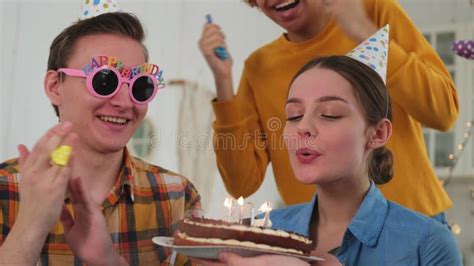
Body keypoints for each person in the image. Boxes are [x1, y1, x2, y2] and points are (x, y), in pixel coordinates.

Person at [199, 0, 459, 220]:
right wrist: (223, 81)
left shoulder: (373, 11)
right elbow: (241, 183)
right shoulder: (259, 68)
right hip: (322, 245)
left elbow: (443, 112)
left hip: (412, 225)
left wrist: (367, 34)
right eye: (294, 115)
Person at [197, 55, 462, 266]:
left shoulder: (427, 243)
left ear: (378, 133)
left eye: (330, 114)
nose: (303, 128)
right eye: (294, 115)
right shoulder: (260, 233)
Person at [0, 12, 201, 265]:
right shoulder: (4, 189)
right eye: (105, 81)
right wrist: (30, 225)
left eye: (140, 85)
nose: (125, 102)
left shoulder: (176, 196)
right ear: (55, 86)